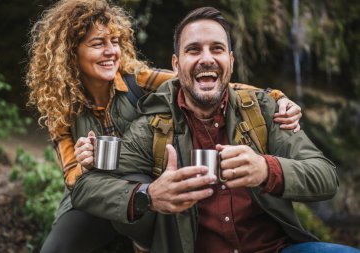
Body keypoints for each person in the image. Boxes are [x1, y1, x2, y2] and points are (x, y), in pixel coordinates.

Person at [72, 6, 360, 253]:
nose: (206, 59)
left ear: (231, 62)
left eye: (217, 49)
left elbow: (325, 176)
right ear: (177, 64)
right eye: (193, 50)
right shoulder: (153, 127)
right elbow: (85, 189)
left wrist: (266, 169)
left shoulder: (264, 111)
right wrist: (149, 195)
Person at [26, 0, 302, 252]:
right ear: (71, 53)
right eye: (99, 44)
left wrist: (272, 97)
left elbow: (203, 82)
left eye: (115, 41)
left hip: (152, 190)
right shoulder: (60, 110)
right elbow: (74, 180)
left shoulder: (137, 79)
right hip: (98, 196)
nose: (112, 51)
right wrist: (86, 165)